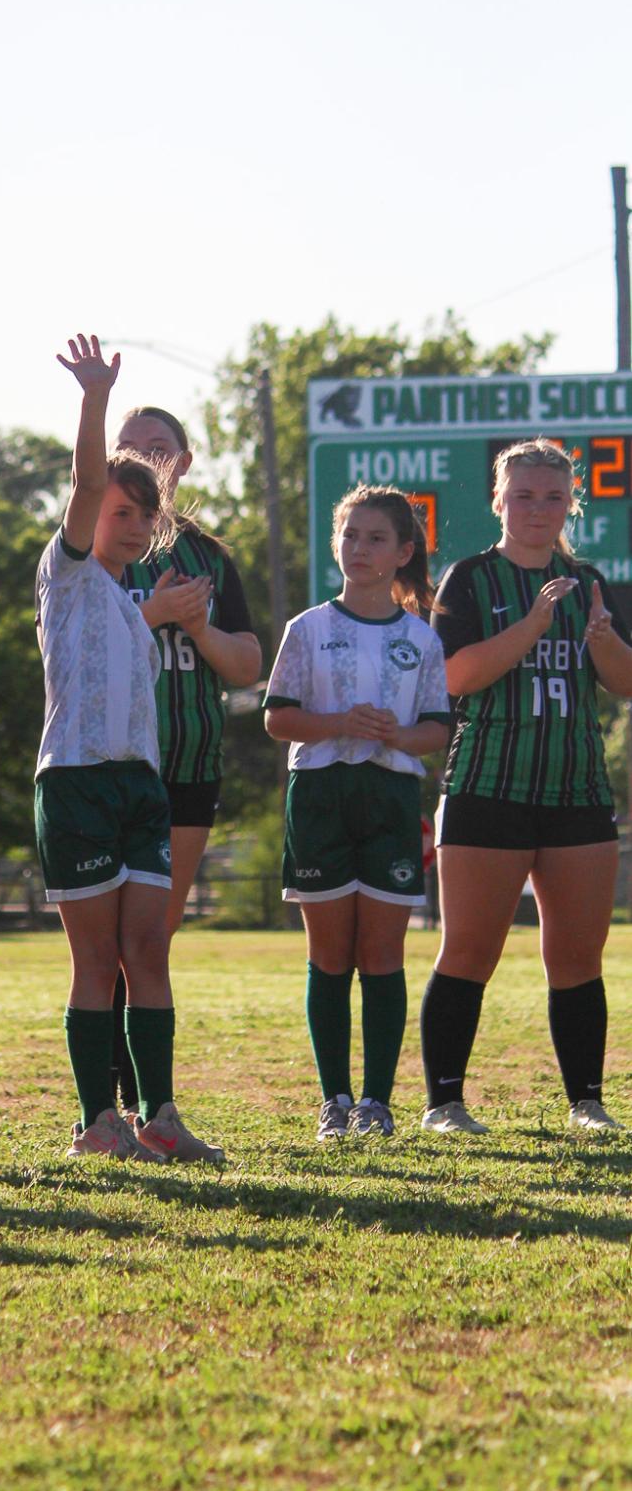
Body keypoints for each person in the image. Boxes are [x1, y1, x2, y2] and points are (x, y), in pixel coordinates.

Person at [35, 334, 224, 1165]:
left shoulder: (132, 599)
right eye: (119, 508)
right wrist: (94, 399)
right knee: (95, 958)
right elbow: (85, 481)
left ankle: (159, 1114)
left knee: (147, 950)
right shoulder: (67, 575)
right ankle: (95, 1121)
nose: (133, 521)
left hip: (141, 787)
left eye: (145, 513)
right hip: (76, 783)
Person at [421, 439, 632, 1135]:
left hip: (574, 792)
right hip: (488, 787)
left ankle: (587, 1102)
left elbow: (623, 680)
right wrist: (533, 625)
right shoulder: (470, 580)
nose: (537, 508)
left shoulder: (589, 581)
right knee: (470, 951)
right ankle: (445, 1103)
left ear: (572, 500)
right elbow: (455, 676)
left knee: (576, 956)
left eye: (552, 495)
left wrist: (602, 640)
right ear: (497, 501)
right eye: (523, 495)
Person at [264, 486, 449, 1140]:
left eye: (376, 538)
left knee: (382, 954)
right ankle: (334, 1100)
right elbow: (277, 717)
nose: (360, 549)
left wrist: (396, 735)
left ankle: (377, 1100)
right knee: (329, 954)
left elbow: (437, 728)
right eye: (350, 535)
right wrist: (339, 722)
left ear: (403, 552)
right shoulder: (307, 629)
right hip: (319, 795)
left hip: (390, 799)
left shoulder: (419, 638)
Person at [109, 405, 262, 1109]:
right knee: (105, 945)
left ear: (184, 462)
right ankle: (105, 1103)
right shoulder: (91, 544)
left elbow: (246, 665)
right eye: (132, 447)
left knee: (151, 939)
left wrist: (196, 625)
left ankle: (148, 1101)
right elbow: (69, 644)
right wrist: (152, 614)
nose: (147, 458)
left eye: (160, 448)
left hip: (187, 767)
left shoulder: (208, 555)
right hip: (107, 763)